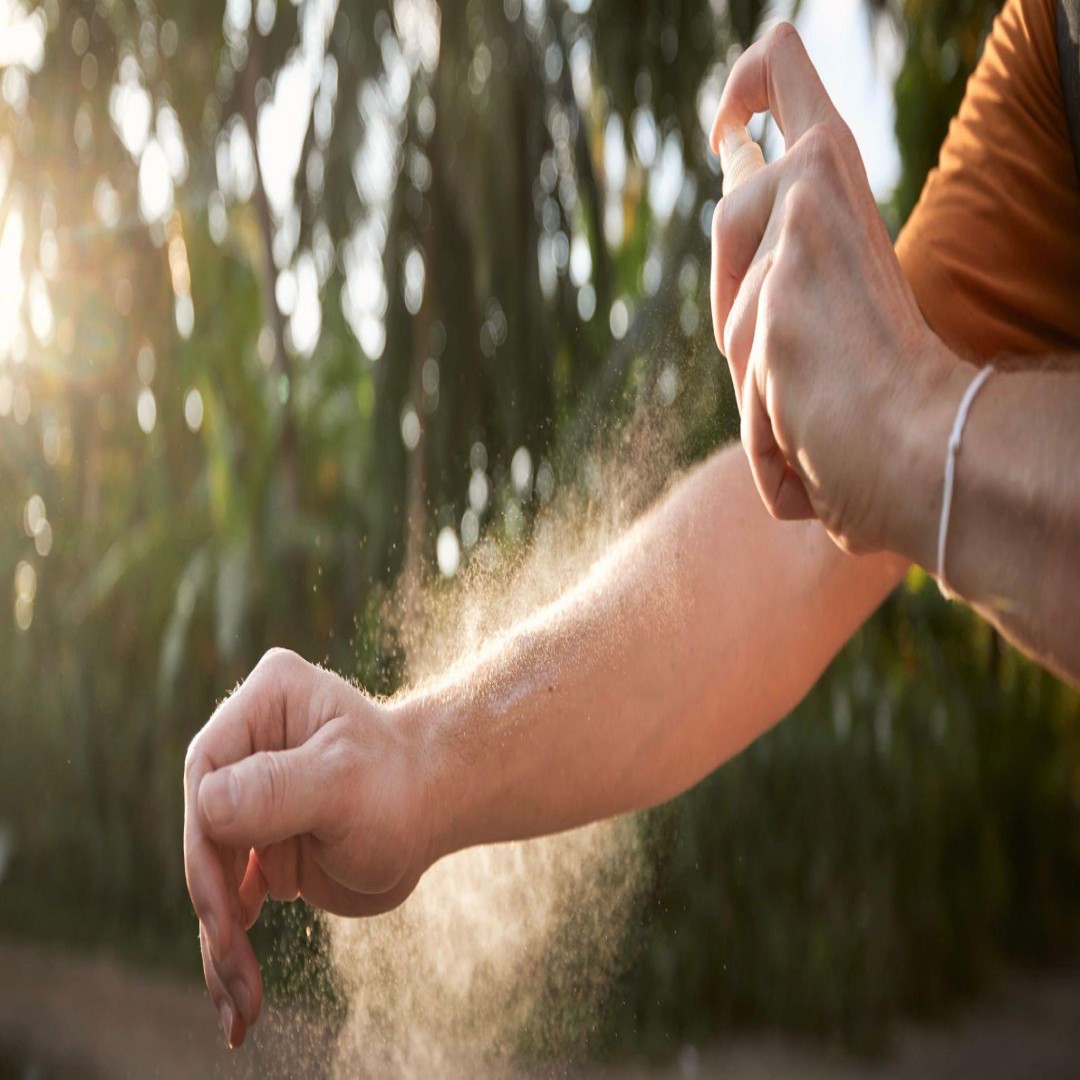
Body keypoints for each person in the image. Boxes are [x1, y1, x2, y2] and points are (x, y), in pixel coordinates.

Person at [184, 0, 1080, 1049]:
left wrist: (926, 427)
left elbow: (913, 433)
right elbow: (807, 522)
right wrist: (416, 758)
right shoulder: (1048, 52)